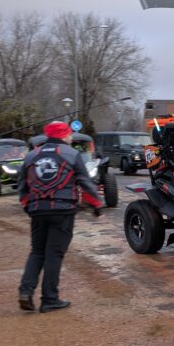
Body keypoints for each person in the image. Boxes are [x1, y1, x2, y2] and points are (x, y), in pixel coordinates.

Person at [17, 121, 104, 314]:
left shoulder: (31, 155)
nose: (71, 137)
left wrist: (27, 206)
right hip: (62, 210)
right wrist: (97, 204)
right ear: (63, 135)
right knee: (54, 254)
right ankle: (49, 299)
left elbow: (22, 186)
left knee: (37, 251)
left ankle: (25, 291)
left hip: (37, 209)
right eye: (69, 134)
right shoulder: (72, 154)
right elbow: (84, 181)